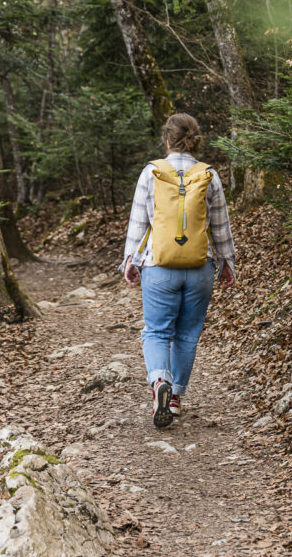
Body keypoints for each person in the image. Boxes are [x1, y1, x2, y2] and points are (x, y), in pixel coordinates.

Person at [120, 113, 236, 427]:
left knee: (157, 332)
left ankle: (160, 382)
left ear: (167, 140)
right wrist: (227, 264)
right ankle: (174, 399)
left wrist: (130, 261)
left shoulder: (152, 172)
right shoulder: (209, 174)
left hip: (159, 265)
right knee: (186, 336)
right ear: (195, 139)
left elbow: (138, 223)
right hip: (200, 268)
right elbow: (220, 228)